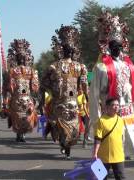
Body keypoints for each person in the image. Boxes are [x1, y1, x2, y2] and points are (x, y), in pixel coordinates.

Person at [90, 12, 134, 159]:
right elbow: (93, 96)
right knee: (110, 144)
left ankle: (118, 167)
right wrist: (96, 119)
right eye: (113, 45)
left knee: (124, 147)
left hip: (126, 112)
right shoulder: (100, 68)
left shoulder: (130, 67)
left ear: (123, 45)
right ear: (108, 47)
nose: (116, 48)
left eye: (119, 45)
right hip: (109, 113)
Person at [41, 25, 88, 159]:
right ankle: (64, 145)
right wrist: (45, 99)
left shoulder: (80, 67)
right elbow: (44, 84)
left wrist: (88, 99)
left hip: (73, 103)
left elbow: (84, 85)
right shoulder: (54, 66)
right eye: (67, 49)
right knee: (61, 127)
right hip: (59, 103)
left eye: (71, 49)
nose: (69, 51)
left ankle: (67, 147)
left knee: (73, 127)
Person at [2, 39, 39, 142]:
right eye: (19, 57)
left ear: (27, 57)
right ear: (16, 58)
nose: (22, 59)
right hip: (16, 100)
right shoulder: (12, 71)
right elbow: (6, 88)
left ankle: (23, 133)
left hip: (27, 99)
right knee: (17, 117)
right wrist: (5, 101)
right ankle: (19, 134)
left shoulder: (31, 71)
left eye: (23, 57)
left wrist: (34, 77)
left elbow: (35, 88)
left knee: (27, 118)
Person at [93, 98, 125, 180]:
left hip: (118, 155)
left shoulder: (120, 120)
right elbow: (98, 138)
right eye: (113, 105)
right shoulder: (101, 121)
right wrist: (95, 153)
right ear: (107, 107)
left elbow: (121, 137)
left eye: (118, 105)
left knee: (121, 177)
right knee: (101, 178)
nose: (116, 107)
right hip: (103, 156)